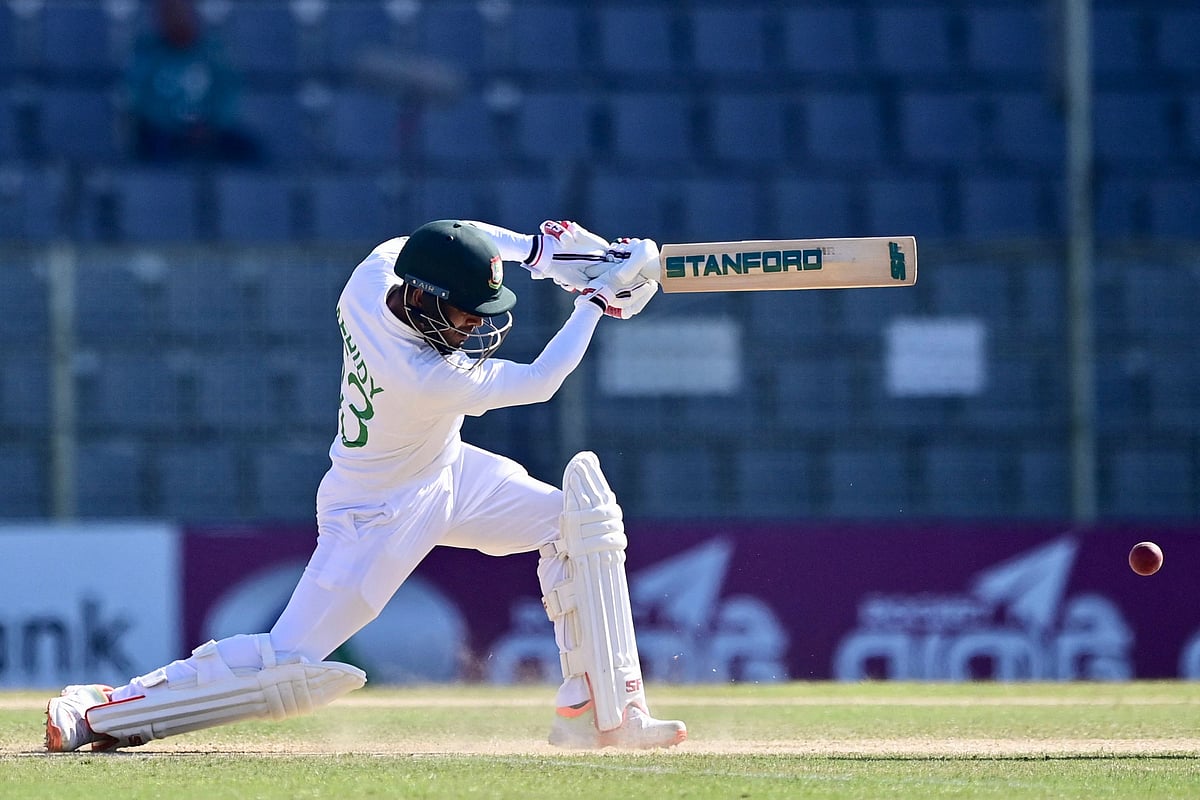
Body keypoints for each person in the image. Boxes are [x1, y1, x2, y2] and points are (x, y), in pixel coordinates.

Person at [44, 219, 686, 752]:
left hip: (448, 470)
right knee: (285, 664)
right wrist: (597, 301)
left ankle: (599, 713)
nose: (473, 328)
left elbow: (470, 237)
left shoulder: (379, 271)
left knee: (580, 522)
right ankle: (104, 710)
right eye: (464, 314)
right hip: (375, 511)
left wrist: (554, 255)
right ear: (426, 298)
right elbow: (543, 380)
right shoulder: (422, 373)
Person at [125, 0, 261, 163]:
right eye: (172, 15)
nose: (179, 19)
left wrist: (210, 124)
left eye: (183, 14)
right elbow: (140, 98)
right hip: (163, 132)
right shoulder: (148, 52)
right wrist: (179, 127)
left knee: (249, 149)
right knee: (155, 150)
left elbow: (229, 92)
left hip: (210, 129)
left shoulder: (212, 50)